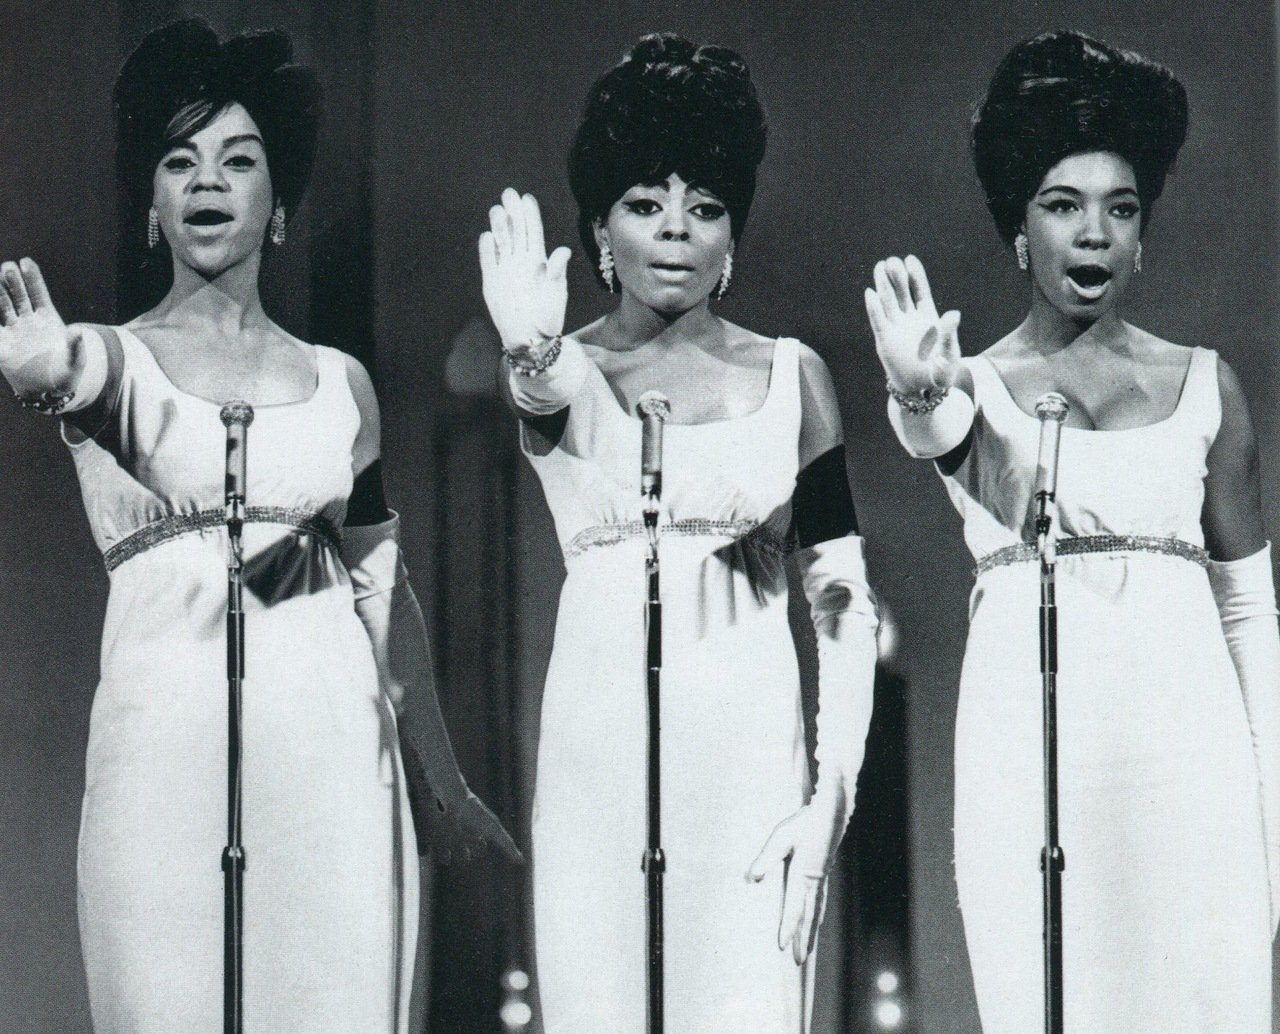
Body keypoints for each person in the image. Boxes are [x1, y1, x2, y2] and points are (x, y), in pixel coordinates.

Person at [0, 20, 515, 1033]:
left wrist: (442, 776)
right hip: (161, 760)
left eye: (238, 159)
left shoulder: (340, 384)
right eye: (179, 160)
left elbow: (380, 588)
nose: (207, 180)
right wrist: (46, 378)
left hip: (333, 765)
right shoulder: (107, 355)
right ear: (151, 205)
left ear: (279, 201)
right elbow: (84, 388)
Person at [864, 30, 1279, 1032]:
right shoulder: (972, 384)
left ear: (1141, 233)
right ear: (1019, 227)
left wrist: (1272, 811)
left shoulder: (1206, 387)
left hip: (1194, 768)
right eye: (1062, 205)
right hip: (1028, 760)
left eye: (1118, 208)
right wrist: (916, 392)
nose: (1092, 233)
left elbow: (1248, 610)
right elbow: (944, 438)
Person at [477, 33, 879, 1034]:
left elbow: (840, 599)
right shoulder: (562, 368)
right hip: (595, 766)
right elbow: (540, 396)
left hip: (753, 769)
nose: (674, 230)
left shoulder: (793, 377)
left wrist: (830, 791)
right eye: (644, 203)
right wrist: (528, 347)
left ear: (732, 233)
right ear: (599, 227)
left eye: (703, 206)